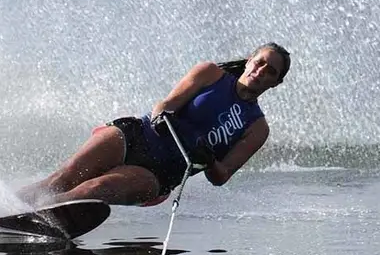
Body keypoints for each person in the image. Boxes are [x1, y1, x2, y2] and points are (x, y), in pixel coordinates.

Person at [17, 43, 291, 207]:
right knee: (62, 178)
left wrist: (208, 160)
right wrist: (162, 117)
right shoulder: (210, 73)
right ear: (248, 61)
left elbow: (221, 176)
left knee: (91, 191)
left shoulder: (257, 128)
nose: (261, 72)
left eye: (270, 72)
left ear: (276, 83)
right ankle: (5, 207)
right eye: (259, 63)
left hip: (160, 172)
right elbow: (166, 103)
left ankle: (40, 216)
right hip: (138, 134)